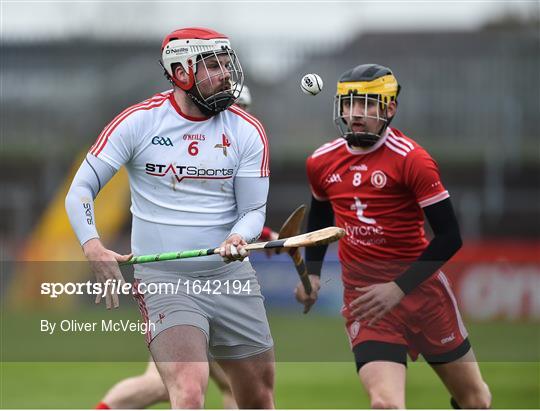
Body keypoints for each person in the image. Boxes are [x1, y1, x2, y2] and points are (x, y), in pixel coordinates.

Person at [66, 27, 275, 409]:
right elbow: (80, 190)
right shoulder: (139, 122)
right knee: (188, 390)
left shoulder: (247, 130)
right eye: (214, 65)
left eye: (227, 64)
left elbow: (252, 211)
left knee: (257, 397)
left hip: (229, 277)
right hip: (165, 280)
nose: (226, 73)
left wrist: (238, 237)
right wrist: (92, 246)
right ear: (181, 72)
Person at [296, 64, 491, 409]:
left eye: (368, 104)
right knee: (385, 403)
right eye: (349, 103)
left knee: (475, 399)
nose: (356, 114)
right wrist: (311, 273)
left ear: (389, 108)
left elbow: (450, 237)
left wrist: (398, 288)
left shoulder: (412, 160)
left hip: (423, 296)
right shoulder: (321, 162)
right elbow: (321, 216)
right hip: (367, 303)